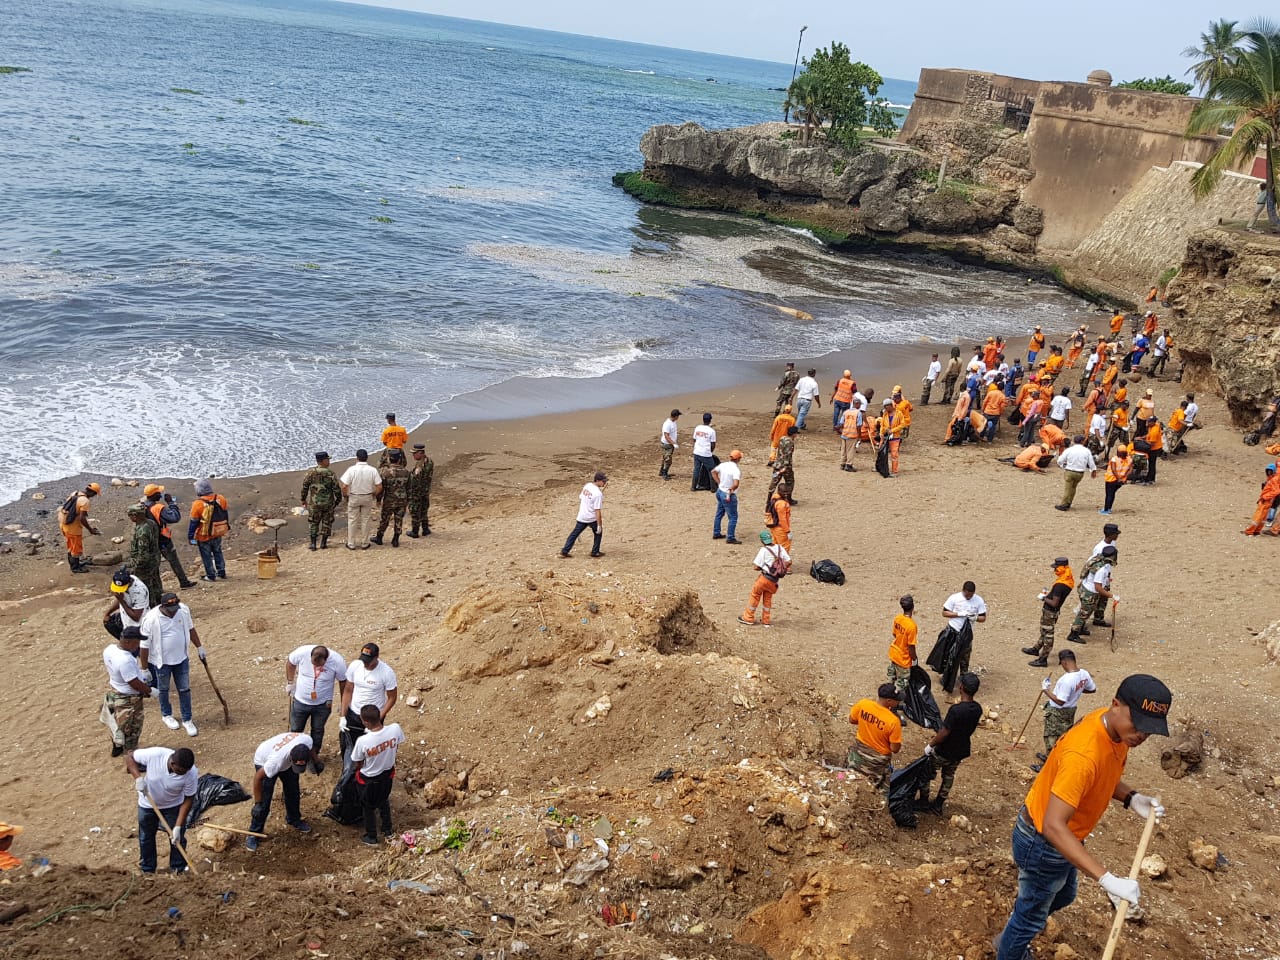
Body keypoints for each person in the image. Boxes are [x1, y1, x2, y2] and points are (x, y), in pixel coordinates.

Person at [994, 675, 1172, 960]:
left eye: (1148, 730)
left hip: (1063, 839)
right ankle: (1013, 942)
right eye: (1137, 724)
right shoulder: (1084, 753)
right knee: (1031, 917)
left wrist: (1131, 797)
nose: (1141, 735)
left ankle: (1018, 927)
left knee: (1063, 896)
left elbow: (1100, 777)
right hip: (1043, 842)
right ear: (1116, 705)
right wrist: (1107, 879)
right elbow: (1053, 825)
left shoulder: (1115, 731)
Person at [139, 591, 205, 737]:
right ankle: (166, 714)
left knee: (184, 689)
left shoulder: (183, 610)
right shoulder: (150, 619)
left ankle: (187, 719)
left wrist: (199, 647)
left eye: (175, 609)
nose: (174, 613)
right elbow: (144, 646)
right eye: (170, 610)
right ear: (163, 607)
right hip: (162, 662)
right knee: (163, 688)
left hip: (181, 658)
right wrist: (144, 669)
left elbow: (190, 629)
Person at [125, 746, 198, 874]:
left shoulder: (191, 773)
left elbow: (188, 799)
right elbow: (130, 756)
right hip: (147, 804)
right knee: (146, 837)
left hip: (173, 806)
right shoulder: (155, 755)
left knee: (178, 839)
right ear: (172, 763)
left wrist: (178, 826)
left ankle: (178, 869)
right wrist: (138, 778)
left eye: (185, 771)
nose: (183, 774)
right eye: (180, 771)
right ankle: (147, 869)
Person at [919, 671, 982, 814]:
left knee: (926, 772)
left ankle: (923, 801)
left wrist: (931, 745)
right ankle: (938, 804)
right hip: (961, 749)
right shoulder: (977, 709)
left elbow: (945, 732)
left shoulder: (956, 710)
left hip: (944, 749)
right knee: (949, 775)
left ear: (961, 687)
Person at [245, 732, 316, 851]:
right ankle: (254, 833)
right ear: (291, 759)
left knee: (293, 790)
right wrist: (257, 803)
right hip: (264, 759)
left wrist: (317, 761)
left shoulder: (306, 740)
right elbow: (258, 777)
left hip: (282, 759)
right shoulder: (276, 762)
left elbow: (311, 748)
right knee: (265, 799)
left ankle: (294, 819)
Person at [287, 644, 348, 773]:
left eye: (319, 666)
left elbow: (343, 682)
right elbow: (290, 662)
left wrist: (343, 704)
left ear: (326, 660)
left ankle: (312, 758)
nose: (315, 668)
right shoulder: (302, 652)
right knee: (296, 730)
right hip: (301, 701)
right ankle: (295, 755)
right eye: (314, 664)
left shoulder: (337, 662)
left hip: (322, 704)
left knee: (318, 730)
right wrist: (290, 682)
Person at [351, 704, 406, 845]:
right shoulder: (395, 729)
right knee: (383, 800)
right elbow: (397, 745)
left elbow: (357, 762)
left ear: (366, 722)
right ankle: (387, 829)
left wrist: (359, 769)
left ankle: (371, 835)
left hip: (369, 778)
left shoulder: (363, 741)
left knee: (368, 807)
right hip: (387, 774)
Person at [1034, 650, 1097, 768]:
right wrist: (1077, 690)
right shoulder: (1084, 674)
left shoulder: (1067, 680)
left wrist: (1045, 690)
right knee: (1063, 736)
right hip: (1070, 711)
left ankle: (1049, 766)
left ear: (1064, 662)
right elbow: (1092, 689)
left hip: (1057, 712)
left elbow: (1060, 701)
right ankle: (1050, 758)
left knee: (1052, 738)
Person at [339, 642, 398, 770]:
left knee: (372, 747)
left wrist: (378, 719)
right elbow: (348, 690)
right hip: (354, 713)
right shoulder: (355, 666)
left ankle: (368, 770)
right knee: (350, 745)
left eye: (369, 661)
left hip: (373, 716)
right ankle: (350, 770)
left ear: (376, 658)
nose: (365, 664)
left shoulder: (386, 672)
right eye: (364, 660)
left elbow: (392, 698)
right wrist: (343, 716)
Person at [102, 626, 156, 757]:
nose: (138, 646)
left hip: (114, 691)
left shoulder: (109, 649)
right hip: (128, 698)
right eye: (137, 642)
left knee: (116, 724)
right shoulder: (126, 660)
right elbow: (133, 682)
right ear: (128, 642)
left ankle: (117, 747)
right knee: (132, 730)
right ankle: (132, 759)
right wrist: (150, 691)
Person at [929, 582, 987, 695]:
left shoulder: (978, 601)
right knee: (949, 656)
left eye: (971, 595)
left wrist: (974, 618)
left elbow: (983, 617)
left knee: (965, 655)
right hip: (953, 631)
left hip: (966, 635)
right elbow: (944, 613)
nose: (968, 597)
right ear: (963, 590)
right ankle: (947, 677)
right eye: (967, 595)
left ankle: (964, 676)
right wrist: (959, 614)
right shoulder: (954, 598)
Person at [847, 683, 904, 796]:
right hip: (877, 762)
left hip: (857, 754)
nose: (898, 702)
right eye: (896, 700)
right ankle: (879, 805)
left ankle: (839, 779)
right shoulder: (893, 721)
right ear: (889, 701)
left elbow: (852, 720)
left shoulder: (864, 704)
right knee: (881, 791)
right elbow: (894, 749)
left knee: (846, 774)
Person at [1024, 557, 1074, 666]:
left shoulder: (1059, 585)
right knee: (1045, 631)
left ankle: (1043, 659)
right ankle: (1036, 648)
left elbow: (1054, 603)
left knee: (1048, 634)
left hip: (1050, 612)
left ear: (1062, 568)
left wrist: (1043, 597)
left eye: (1056, 568)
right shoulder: (1068, 579)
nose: (1055, 570)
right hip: (1054, 612)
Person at [143, 485, 194, 588]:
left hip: (150, 541)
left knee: (154, 566)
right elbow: (175, 518)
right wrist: (171, 503)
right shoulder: (158, 508)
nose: (161, 495)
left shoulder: (142, 506)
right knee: (174, 561)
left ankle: (158, 589)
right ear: (155, 495)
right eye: (159, 493)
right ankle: (184, 582)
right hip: (163, 540)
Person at [738, 529, 790, 626]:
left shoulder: (764, 550)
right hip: (774, 581)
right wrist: (779, 567)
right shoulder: (779, 548)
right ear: (771, 538)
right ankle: (766, 620)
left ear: (762, 541)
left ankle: (748, 617)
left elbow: (756, 566)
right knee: (767, 599)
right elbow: (789, 561)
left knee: (755, 595)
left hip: (764, 578)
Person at [1065, 546, 1116, 644]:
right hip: (1090, 593)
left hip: (1084, 588)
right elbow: (1098, 587)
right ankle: (1073, 634)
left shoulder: (1096, 559)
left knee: (1085, 612)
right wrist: (1111, 596)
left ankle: (1080, 629)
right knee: (1084, 614)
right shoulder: (1102, 569)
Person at [188, 478, 229, 581]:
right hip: (217, 531)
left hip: (203, 535)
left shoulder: (197, 504)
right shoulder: (221, 498)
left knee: (206, 556)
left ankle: (211, 575)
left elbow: (194, 522)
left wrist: (190, 536)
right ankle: (222, 571)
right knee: (218, 551)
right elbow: (225, 513)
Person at [340, 449, 382, 550]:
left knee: (352, 520)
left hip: (354, 496)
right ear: (367, 458)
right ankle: (364, 542)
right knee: (365, 520)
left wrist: (345, 496)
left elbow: (344, 486)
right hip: (367, 496)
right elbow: (379, 486)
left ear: (357, 458)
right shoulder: (372, 470)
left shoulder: (351, 469)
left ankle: (351, 543)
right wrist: (374, 494)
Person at [301, 452, 343, 550]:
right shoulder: (330, 474)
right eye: (328, 459)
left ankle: (313, 544)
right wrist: (338, 499)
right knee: (327, 522)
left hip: (314, 503)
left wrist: (303, 499)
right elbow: (336, 489)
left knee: (313, 522)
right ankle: (323, 543)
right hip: (328, 503)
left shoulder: (310, 473)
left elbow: (305, 488)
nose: (329, 461)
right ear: (323, 461)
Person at [561, 471, 607, 558]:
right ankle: (595, 551)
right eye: (603, 481)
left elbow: (582, 497)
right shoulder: (598, 494)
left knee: (574, 534)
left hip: (582, 516)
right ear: (598, 480)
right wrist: (599, 525)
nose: (605, 483)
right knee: (598, 533)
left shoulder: (587, 486)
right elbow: (597, 511)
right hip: (591, 518)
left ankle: (565, 550)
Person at [59, 481, 101, 573]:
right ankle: (75, 568)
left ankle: (75, 564)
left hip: (64, 524)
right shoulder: (85, 501)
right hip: (73, 528)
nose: (93, 496)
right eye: (95, 494)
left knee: (70, 546)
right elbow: (82, 518)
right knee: (76, 548)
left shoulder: (75, 493)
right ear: (93, 493)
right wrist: (90, 530)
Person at [370, 449, 410, 547]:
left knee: (384, 519)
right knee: (399, 519)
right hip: (402, 500)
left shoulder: (385, 473)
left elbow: (381, 488)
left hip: (389, 500)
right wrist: (407, 500)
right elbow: (409, 487)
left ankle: (379, 537)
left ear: (389, 459)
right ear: (399, 459)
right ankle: (395, 539)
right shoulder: (406, 472)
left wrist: (379, 500)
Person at [126, 503, 162, 605]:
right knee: (156, 581)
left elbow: (143, 553)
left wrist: (136, 567)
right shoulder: (151, 523)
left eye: (130, 515)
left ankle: (152, 606)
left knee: (146, 586)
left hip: (146, 564)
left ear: (135, 516)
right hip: (155, 558)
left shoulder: (142, 531)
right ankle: (159, 602)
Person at [104, 566, 150, 639]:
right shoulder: (127, 579)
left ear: (129, 583)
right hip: (126, 620)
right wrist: (107, 613)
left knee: (133, 646)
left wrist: (121, 601)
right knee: (109, 623)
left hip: (137, 626)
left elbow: (136, 617)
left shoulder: (139, 592)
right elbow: (121, 597)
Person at [1054, 435, 1097, 511]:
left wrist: (1063, 466)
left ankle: (1064, 504)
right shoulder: (1086, 451)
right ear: (1082, 441)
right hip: (1080, 473)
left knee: (1067, 488)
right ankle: (1069, 502)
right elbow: (1091, 462)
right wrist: (1093, 470)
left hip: (1070, 471)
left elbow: (1060, 461)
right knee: (1073, 487)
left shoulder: (1069, 450)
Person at [887, 595, 918, 698]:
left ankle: (887, 694)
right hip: (903, 659)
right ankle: (894, 703)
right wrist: (914, 658)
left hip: (894, 652)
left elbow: (895, 634)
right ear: (913, 607)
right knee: (901, 684)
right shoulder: (912, 626)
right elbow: (911, 646)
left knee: (891, 676)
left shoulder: (897, 618)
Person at [711, 451, 743, 545]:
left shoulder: (723, 465)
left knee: (719, 513)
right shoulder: (736, 470)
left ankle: (716, 532)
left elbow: (713, 472)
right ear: (738, 459)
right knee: (733, 517)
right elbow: (736, 484)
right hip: (728, 494)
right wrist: (731, 489)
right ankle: (730, 537)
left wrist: (719, 483)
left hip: (720, 491)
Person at [1242, 464, 1280, 535]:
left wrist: (1265, 497)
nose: (1269, 472)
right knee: (1263, 517)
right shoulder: (1272, 479)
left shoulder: (1273, 480)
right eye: (1268, 471)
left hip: (1266, 500)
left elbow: (1276, 491)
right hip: (1267, 500)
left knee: (1258, 516)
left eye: (1270, 471)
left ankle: (1250, 531)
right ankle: (1257, 531)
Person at [407, 443, 434, 537]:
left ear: (420, 453)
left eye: (415, 453)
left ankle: (415, 531)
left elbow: (415, 480)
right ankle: (425, 529)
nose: (413, 455)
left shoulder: (421, 466)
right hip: (425, 491)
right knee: (423, 511)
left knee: (415, 511)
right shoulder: (428, 461)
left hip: (417, 493)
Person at [1100, 444, 1133, 515]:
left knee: (1109, 494)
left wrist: (1118, 478)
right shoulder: (1129, 459)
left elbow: (1113, 470)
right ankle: (1109, 508)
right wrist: (1125, 478)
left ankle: (1106, 510)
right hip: (1121, 480)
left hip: (1111, 479)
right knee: (1112, 493)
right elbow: (1130, 470)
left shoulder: (1114, 459)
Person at [769, 427, 797, 502]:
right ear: (794, 434)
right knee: (790, 482)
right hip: (785, 466)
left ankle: (769, 498)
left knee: (774, 481)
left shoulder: (782, 438)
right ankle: (788, 498)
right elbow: (787, 455)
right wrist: (787, 467)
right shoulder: (790, 442)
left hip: (777, 464)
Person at [691, 413, 717, 491]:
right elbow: (713, 444)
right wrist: (710, 452)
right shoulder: (711, 431)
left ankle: (693, 486)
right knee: (711, 470)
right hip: (705, 453)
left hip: (697, 452)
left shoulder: (698, 428)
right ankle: (713, 488)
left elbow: (694, 439)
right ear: (710, 420)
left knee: (696, 470)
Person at [764, 483, 792, 552]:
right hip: (780, 528)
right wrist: (787, 531)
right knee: (784, 547)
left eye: (786, 492)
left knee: (775, 546)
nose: (785, 494)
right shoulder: (781, 504)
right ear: (779, 491)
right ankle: (783, 562)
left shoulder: (774, 498)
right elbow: (782, 519)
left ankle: (775, 561)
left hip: (774, 526)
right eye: (783, 492)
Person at [838, 398, 862, 471]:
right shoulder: (858, 413)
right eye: (859, 404)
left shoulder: (846, 412)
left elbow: (841, 423)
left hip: (845, 433)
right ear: (857, 404)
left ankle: (842, 463)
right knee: (851, 450)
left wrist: (842, 430)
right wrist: (859, 436)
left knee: (843, 450)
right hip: (852, 434)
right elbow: (859, 426)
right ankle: (849, 465)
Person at [659, 409, 681, 479]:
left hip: (669, 444)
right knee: (668, 460)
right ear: (675, 416)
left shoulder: (673, 422)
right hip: (667, 444)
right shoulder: (668, 424)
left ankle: (661, 472)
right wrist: (673, 443)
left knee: (665, 458)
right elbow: (666, 435)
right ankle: (665, 473)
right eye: (678, 416)